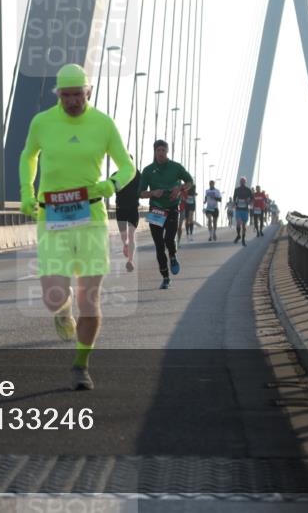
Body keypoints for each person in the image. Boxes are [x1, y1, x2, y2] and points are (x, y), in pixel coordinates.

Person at [20, 63, 135, 391]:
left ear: (89, 92)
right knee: (53, 295)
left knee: (90, 298)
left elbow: (128, 166)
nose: (72, 101)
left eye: (78, 95)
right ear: (58, 94)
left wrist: (111, 183)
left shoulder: (103, 124)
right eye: (66, 95)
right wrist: (27, 193)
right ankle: (61, 310)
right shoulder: (42, 122)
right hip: (51, 219)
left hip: (91, 219)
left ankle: (81, 364)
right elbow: (28, 156)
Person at [139, 140, 193, 290]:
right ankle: (165, 277)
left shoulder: (176, 167)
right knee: (159, 245)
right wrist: (152, 193)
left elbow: (190, 181)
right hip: (156, 209)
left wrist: (180, 188)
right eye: (158, 150)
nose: (161, 153)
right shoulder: (148, 170)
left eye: (163, 150)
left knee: (169, 239)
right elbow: (141, 193)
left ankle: (173, 256)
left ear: (167, 152)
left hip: (172, 208)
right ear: (154, 152)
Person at [115, 155, 141, 272]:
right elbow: (113, 188)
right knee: (124, 237)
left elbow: (142, 188)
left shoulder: (138, 174)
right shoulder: (116, 175)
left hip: (133, 208)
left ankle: (130, 261)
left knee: (131, 234)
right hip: (120, 208)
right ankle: (125, 245)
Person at [233, 177, 253, 246]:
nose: (242, 183)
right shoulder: (237, 190)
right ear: (240, 182)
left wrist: (249, 201)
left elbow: (252, 198)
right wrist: (235, 203)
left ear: (245, 182)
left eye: (243, 182)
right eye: (241, 182)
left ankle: (243, 240)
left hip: (245, 209)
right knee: (238, 223)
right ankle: (238, 235)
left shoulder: (248, 190)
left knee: (244, 226)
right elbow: (234, 198)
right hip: (238, 209)